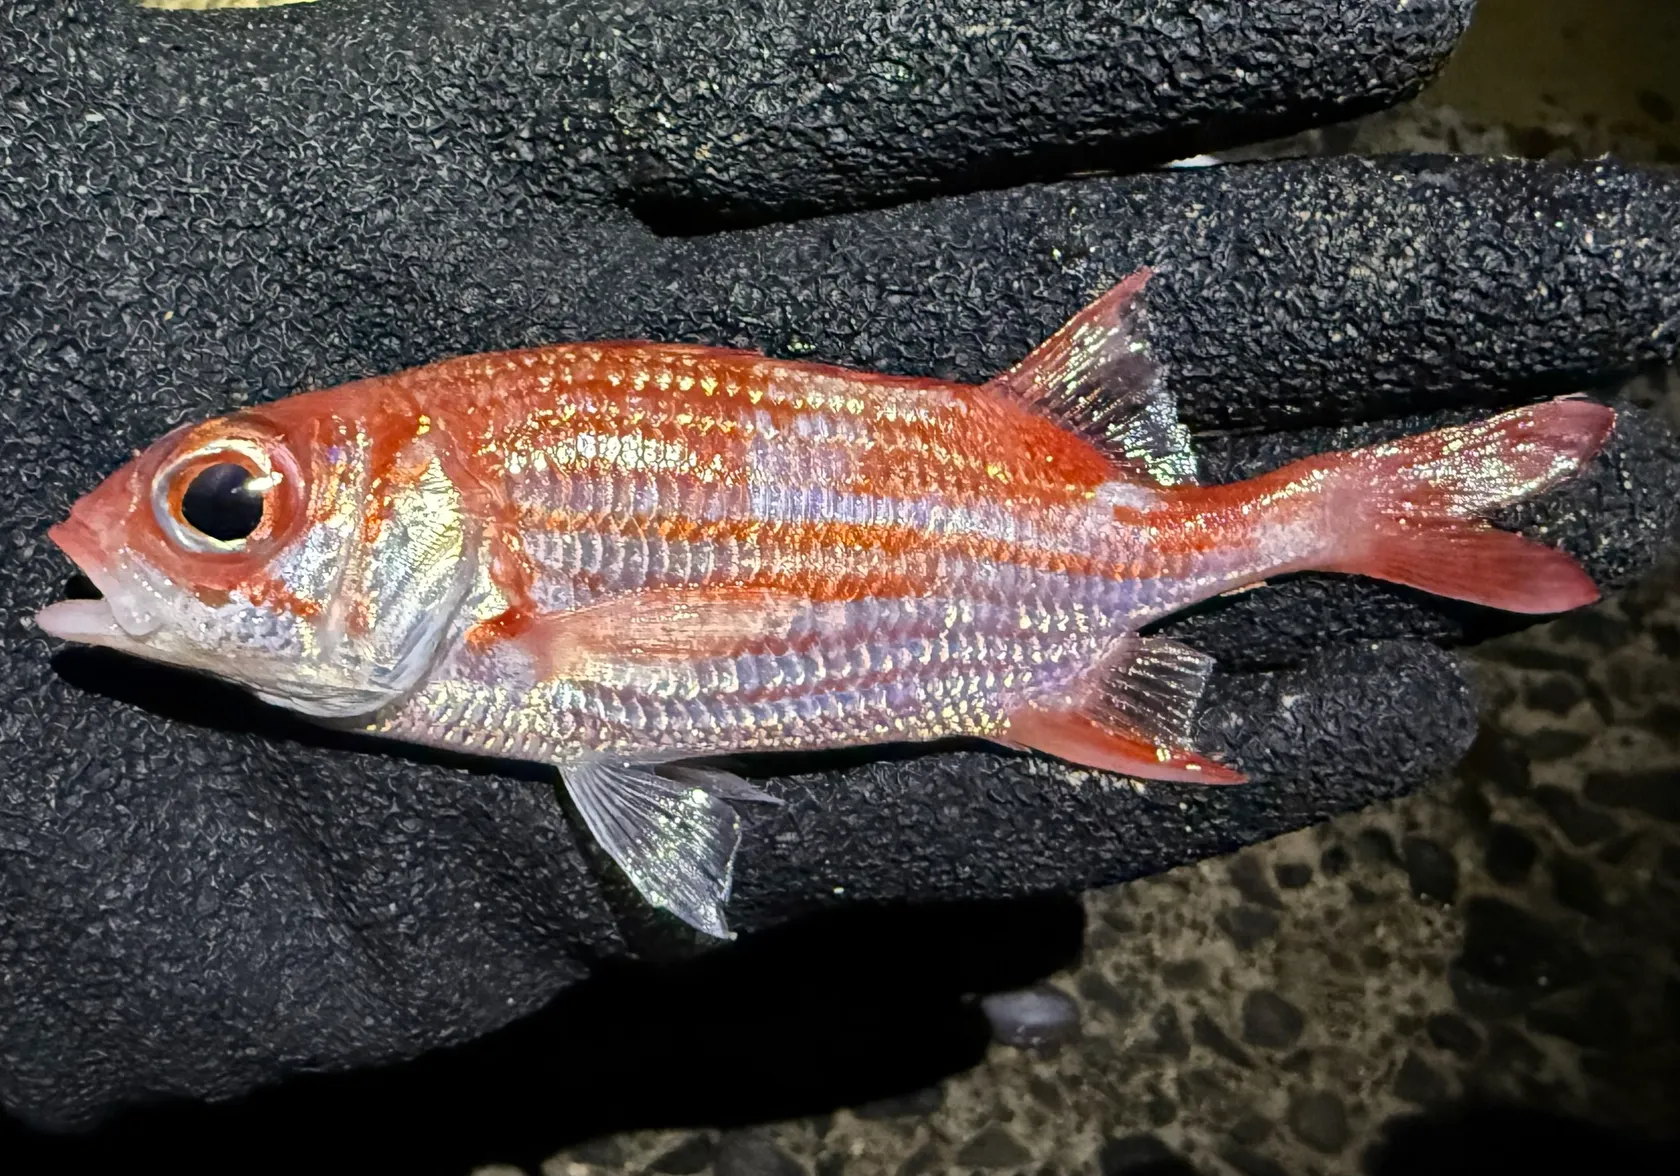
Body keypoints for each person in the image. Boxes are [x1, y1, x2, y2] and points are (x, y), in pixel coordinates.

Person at [2, 0, 1676, 1144]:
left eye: (227, 505)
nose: (174, 537)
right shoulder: (460, 621)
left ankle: (1354, 503)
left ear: (438, 524)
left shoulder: (493, 610)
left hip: (1044, 599)